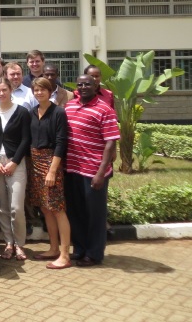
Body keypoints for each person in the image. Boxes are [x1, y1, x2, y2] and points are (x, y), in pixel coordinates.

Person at [64, 74, 119, 267]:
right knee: (76, 212)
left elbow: (110, 142)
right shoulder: (69, 107)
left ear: (96, 86)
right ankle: (79, 249)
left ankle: (95, 254)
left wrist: (101, 172)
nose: (84, 87)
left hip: (93, 171)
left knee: (95, 215)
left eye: (88, 84)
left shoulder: (105, 109)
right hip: (72, 169)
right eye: (80, 84)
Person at [0, 77, 31, 261]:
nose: (1, 93)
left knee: (16, 206)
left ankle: (19, 244)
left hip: (15, 162)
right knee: (1, 206)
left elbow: (26, 139)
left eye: (5, 90)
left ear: (11, 90)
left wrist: (14, 162)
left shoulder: (22, 112)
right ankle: (8, 243)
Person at [28, 78, 71, 270]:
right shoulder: (32, 112)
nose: (39, 93)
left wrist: (52, 170)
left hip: (51, 162)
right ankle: (53, 248)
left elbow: (61, 143)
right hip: (35, 162)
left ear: (50, 90)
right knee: (45, 208)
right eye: (36, 90)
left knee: (57, 208)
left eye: (43, 89)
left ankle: (64, 254)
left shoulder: (59, 112)